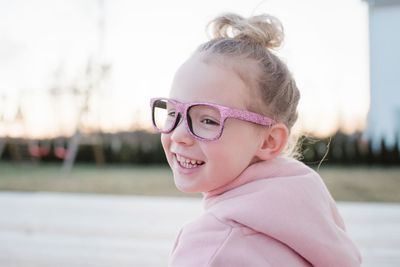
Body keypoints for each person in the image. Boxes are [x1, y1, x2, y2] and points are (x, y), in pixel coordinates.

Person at [150, 12, 362, 267]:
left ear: (269, 141)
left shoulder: (210, 246)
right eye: (173, 113)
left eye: (208, 120)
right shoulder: (311, 210)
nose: (179, 134)